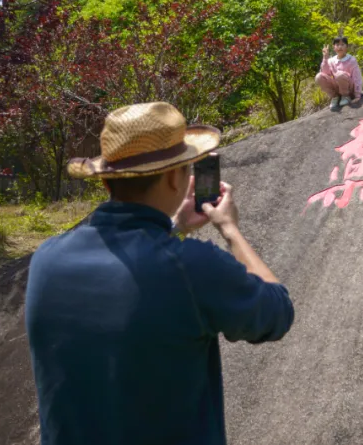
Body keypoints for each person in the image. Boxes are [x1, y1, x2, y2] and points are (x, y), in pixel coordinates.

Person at [25, 101, 294, 445]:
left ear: (107, 181)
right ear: (172, 176)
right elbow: (276, 312)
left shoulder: (47, 258)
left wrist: (175, 227)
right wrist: (230, 229)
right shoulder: (194, 267)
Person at [315, 36, 363, 112]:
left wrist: (357, 95)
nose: (340, 47)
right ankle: (335, 97)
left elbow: (357, 77)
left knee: (339, 74)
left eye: (342, 44)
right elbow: (325, 73)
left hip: (349, 89)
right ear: (334, 47)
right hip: (337, 88)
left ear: (347, 47)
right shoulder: (331, 60)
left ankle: (346, 96)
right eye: (337, 45)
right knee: (319, 76)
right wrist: (325, 58)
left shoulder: (351, 60)